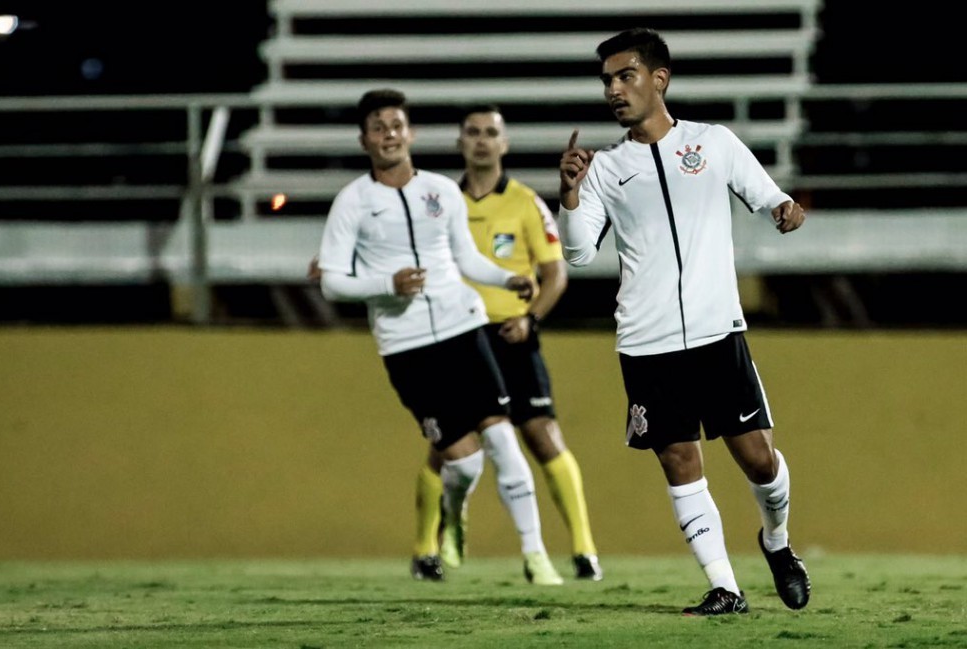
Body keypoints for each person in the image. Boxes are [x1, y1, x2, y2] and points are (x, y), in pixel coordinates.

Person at [556, 28, 811, 615]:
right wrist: (568, 194)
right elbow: (575, 254)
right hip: (647, 342)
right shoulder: (602, 168)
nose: (613, 90)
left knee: (759, 461)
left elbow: (769, 196)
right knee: (679, 460)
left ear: (658, 79)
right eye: (607, 81)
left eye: (625, 76)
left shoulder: (713, 143)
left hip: (718, 332)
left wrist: (783, 210)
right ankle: (726, 586)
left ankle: (777, 542)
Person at [311, 88, 563, 586]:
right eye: (378, 127)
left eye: (397, 125)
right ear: (365, 140)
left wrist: (504, 278)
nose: (389, 134)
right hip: (405, 347)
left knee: (503, 438)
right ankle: (453, 511)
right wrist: (388, 285)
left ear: (412, 134)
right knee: (464, 464)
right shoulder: (353, 202)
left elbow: (465, 259)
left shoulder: (441, 192)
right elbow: (332, 279)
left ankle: (537, 558)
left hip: (462, 326)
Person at [410, 105, 603, 582]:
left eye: (490, 133)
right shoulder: (437, 204)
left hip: (511, 336)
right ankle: (425, 550)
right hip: (456, 340)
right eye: (472, 132)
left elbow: (555, 274)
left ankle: (583, 550)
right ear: (460, 142)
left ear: (504, 144)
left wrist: (530, 319)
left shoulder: (525, 203)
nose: (481, 140)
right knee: (448, 447)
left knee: (543, 436)